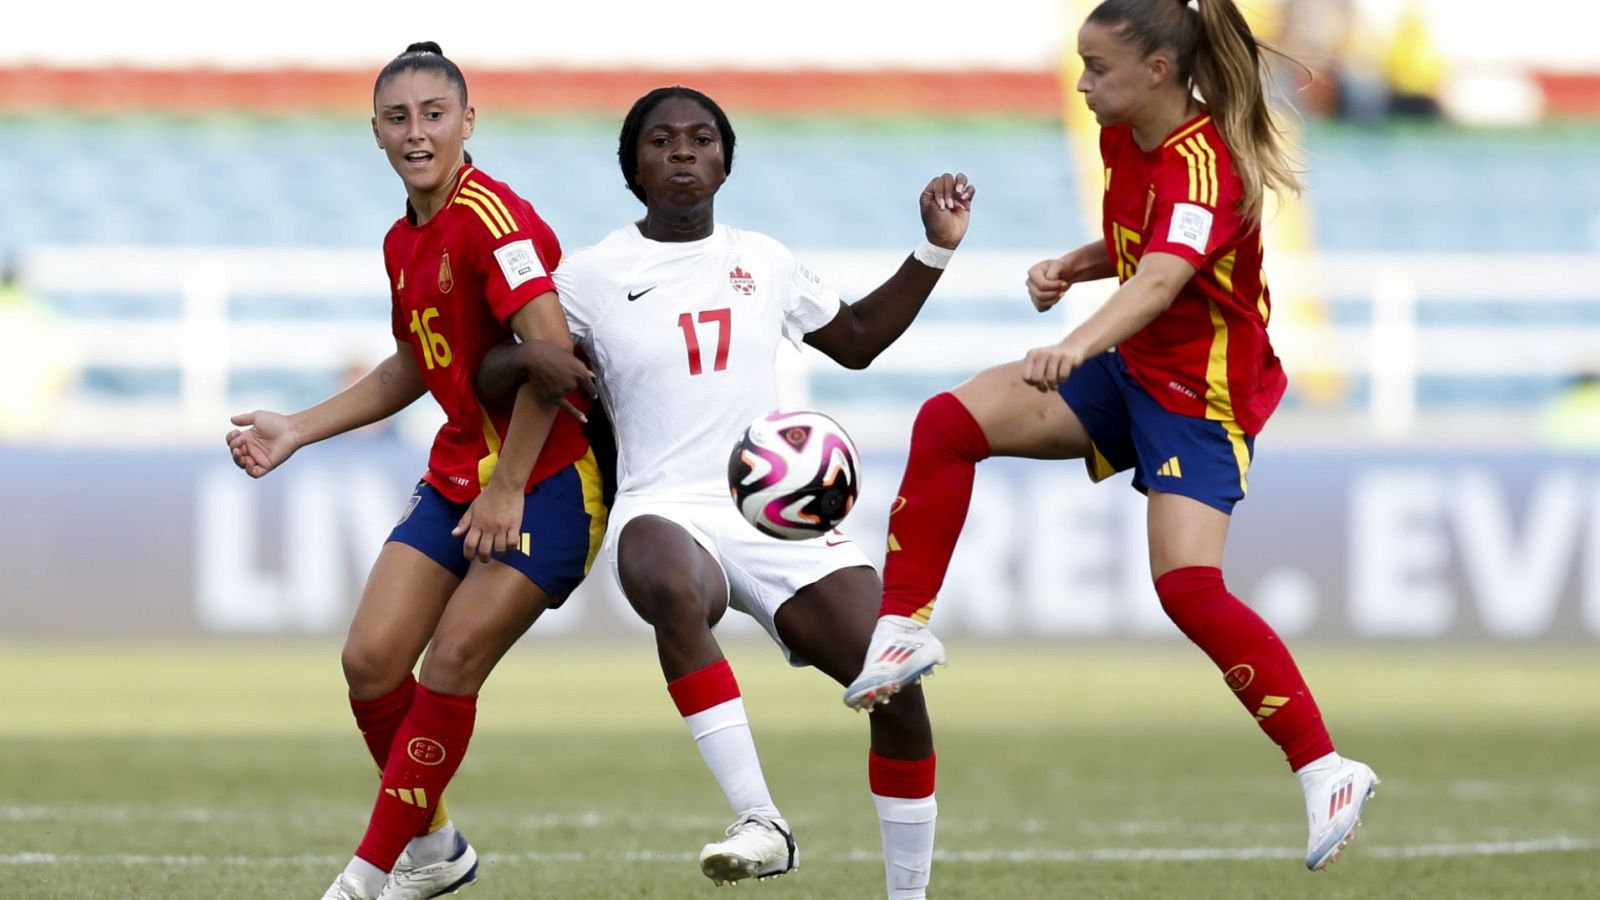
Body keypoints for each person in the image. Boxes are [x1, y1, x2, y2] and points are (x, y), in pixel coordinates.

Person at [842, 0, 1379, 874]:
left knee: (1188, 588)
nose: (1084, 84)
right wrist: (1076, 263)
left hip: (1200, 395)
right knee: (948, 422)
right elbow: (1142, 243)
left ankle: (1327, 769)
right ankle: (903, 626)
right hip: (1133, 369)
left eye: (1098, 68)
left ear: (1159, 72)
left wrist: (1076, 340)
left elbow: (1166, 275)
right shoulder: (1126, 136)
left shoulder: (1208, 166)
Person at [480, 86, 973, 898]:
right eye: (661, 141)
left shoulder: (764, 260)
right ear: (633, 168)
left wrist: (934, 250)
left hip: (775, 512)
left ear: (724, 162)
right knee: (671, 585)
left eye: (702, 139)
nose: (682, 151)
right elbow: (492, 367)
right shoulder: (594, 275)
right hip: (663, 503)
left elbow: (853, 343)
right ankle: (761, 820)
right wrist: (532, 359)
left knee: (895, 687)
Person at [224, 43, 603, 900]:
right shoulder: (403, 237)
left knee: (452, 660)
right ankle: (435, 850)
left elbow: (553, 358)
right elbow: (412, 366)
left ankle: (363, 878)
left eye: (434, 114)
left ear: (469, 121)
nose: (417, 131)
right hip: (462, 470)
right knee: (370, 661)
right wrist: (300, 428)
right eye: (398, 118)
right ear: (376, 133)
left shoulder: (492, 219)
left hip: (548, 478)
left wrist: (510, 486)